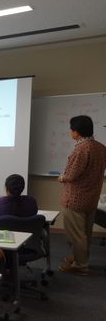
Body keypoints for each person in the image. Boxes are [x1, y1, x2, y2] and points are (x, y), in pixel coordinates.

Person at [57, 115, 106, 275]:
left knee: (76, 234)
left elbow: (71, 175)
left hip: (76, 199)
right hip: (92, 197)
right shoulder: (101, 147)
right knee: (85, 232)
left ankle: (80, 265)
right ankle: (80, 257)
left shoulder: (81, 149)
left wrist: (61, 177)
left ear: (76, 132)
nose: (70, 132)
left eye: (71, 129)